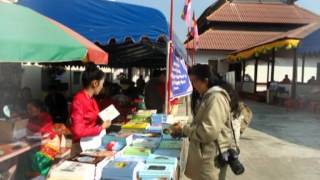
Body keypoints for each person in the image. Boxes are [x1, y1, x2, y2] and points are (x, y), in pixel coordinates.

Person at [169, 64, 240, 180]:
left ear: (205, 80)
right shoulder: (207, 96)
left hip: (211, 157)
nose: (193, 85)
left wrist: (185, 129)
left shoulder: (216, 98)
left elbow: (208, 132)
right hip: (205, 154)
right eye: (191, 82)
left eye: (195, 81)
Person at [70, 63, 111, 156]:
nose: (102, 87)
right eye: (102, 84)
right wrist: (101, 127)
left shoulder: (92, 99)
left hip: (91, 144)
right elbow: (78, 131)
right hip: (81, 146)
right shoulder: (79, 100)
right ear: (95, 83)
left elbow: (93, 119)